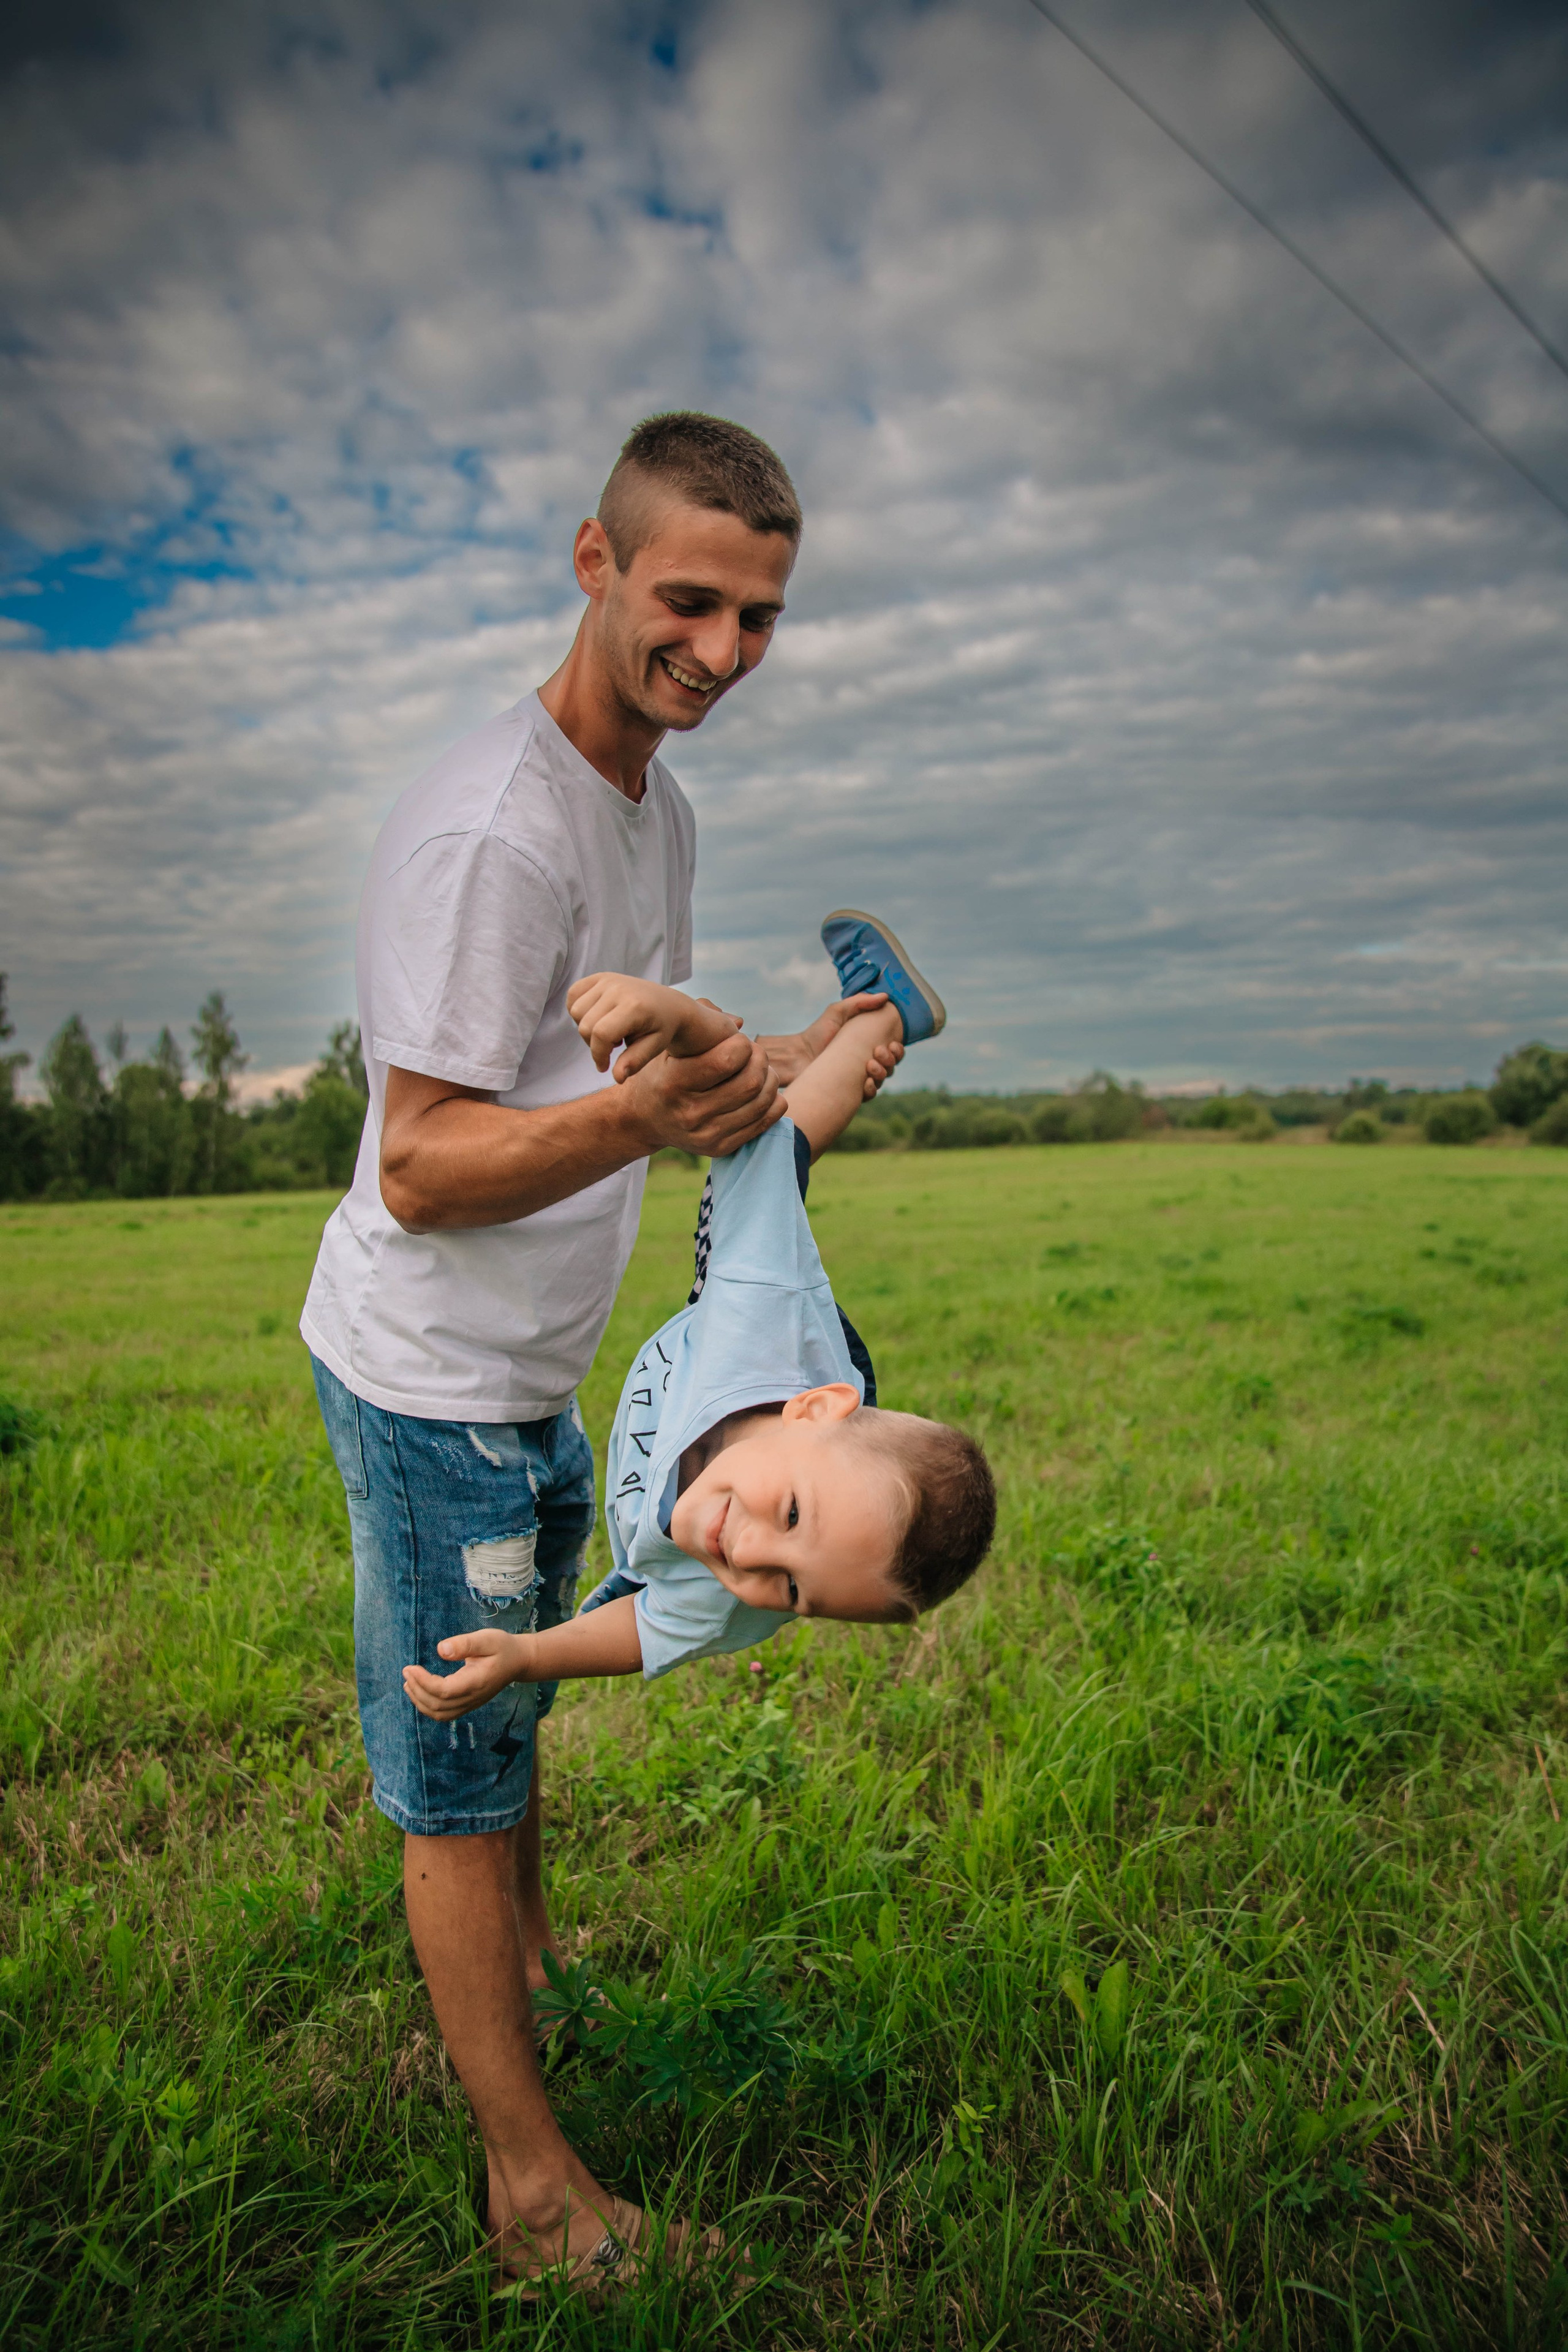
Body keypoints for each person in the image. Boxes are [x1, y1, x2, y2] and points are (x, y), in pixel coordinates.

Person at [299, 414, 904, 2299]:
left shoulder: (658, 807)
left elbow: (624, 1087)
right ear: (594, 562)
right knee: (464, 1742)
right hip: (433, 1378)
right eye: (689, 601)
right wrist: (657, 1124)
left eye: (762, 618)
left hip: (536, 1367)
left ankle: (536, 1954)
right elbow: (419, 1162)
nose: (723, 653)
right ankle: (530, 2189)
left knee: (530, 1678)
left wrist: (790, 1072)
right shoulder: (497, 830)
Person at [402, 919, 994, 1735]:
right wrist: (679, 1021)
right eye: (788, 1516)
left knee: (780, 1152)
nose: (750, 1558)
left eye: (792, 1593)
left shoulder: (747, 1593)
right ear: (816, 1410)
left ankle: (882, 1019)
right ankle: (881, 1017)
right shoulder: (760, 1306)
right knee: (760, 1142)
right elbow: (738, 1104)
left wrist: (530, 1655)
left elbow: (647, 1627)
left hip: (748, 1395)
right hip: (751, 1340)